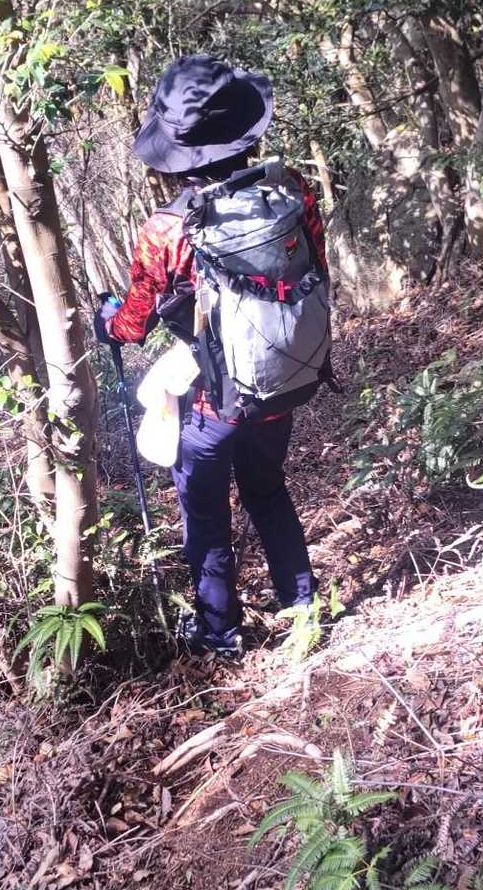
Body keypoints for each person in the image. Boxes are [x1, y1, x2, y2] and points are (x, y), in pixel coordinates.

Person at [94, 54, 327, 657]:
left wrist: (106, 321)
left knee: (204, 514)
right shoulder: (293, 191)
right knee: (267, 491)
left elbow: (133, 325)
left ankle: (220, 634)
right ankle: (304, 611)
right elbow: (316, 274)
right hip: (277, 383)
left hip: (209, 402)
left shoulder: (167, 230)